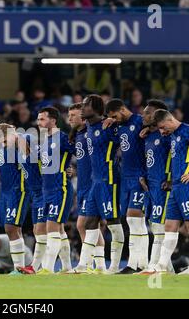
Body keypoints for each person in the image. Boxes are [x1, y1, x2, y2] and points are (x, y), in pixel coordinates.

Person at [144, 109, 189, 275]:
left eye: (163, 127)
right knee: (170, 226)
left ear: (170, 120)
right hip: (176, 186)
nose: (162, 132)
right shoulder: (173, 134)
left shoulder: (187, 131)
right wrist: (148, 130)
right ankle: (161, 266)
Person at [77, 95, 124, 274]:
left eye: (85, 105)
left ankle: (114, 266)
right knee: (90, 223)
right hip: (94, 182)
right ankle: (84, 265)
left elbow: (127, 133)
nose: (82, 108)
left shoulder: (110, 126)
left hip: (108, 179)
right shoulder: (88, 126)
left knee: (112, 222)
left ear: (95, 108)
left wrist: (115, 121)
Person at [105, 98, 149, 274]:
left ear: (123, 109)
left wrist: (149, 128)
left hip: (139, 176)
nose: (114, 119)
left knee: (134, 218)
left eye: (115, 115)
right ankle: (141, 264)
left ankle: (136, 263)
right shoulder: (117, 126)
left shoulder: (140, 121)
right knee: (131, 220)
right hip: (125, 177)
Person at [67, 103, 106, 274]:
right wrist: (72, 169)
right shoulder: (78, 135)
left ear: (83, 117)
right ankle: (99, 267)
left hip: (94, 185)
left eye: (73, 116)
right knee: (88, 227)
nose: (70, 119)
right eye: (69, 116)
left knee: (84, 225)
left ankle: (89, 264)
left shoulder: (92, 132)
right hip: (83, 185)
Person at [36, 107, 75, 274]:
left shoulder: (63, 138)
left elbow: (82, 154)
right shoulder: (44, 140)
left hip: (61, 189)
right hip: (47, 190)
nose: (39, 123)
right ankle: (67, 268)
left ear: (53, 120)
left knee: (52, 226)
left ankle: (48, 268)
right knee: (58, 229)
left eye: (42, 119)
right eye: (38, 120)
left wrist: (72, 169)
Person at [139, 100, 174, 272]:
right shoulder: (148, 136)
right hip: (150, 186)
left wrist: (172, 179)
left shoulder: (167, 136)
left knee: (160, 226)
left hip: (163, 186)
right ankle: (168, 270)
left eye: (147, 113)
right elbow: (149, 160)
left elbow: (178, 157)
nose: (143, 116)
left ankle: (153, 265)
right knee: (155, 225)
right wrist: (143, 177)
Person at [0, 123, 33, 275]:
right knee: (12, 229)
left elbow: (30, 164)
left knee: (11, 228)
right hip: (5, 193)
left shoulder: (19, 149)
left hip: (18, 191)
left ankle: (19, 267)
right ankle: (20, 267)